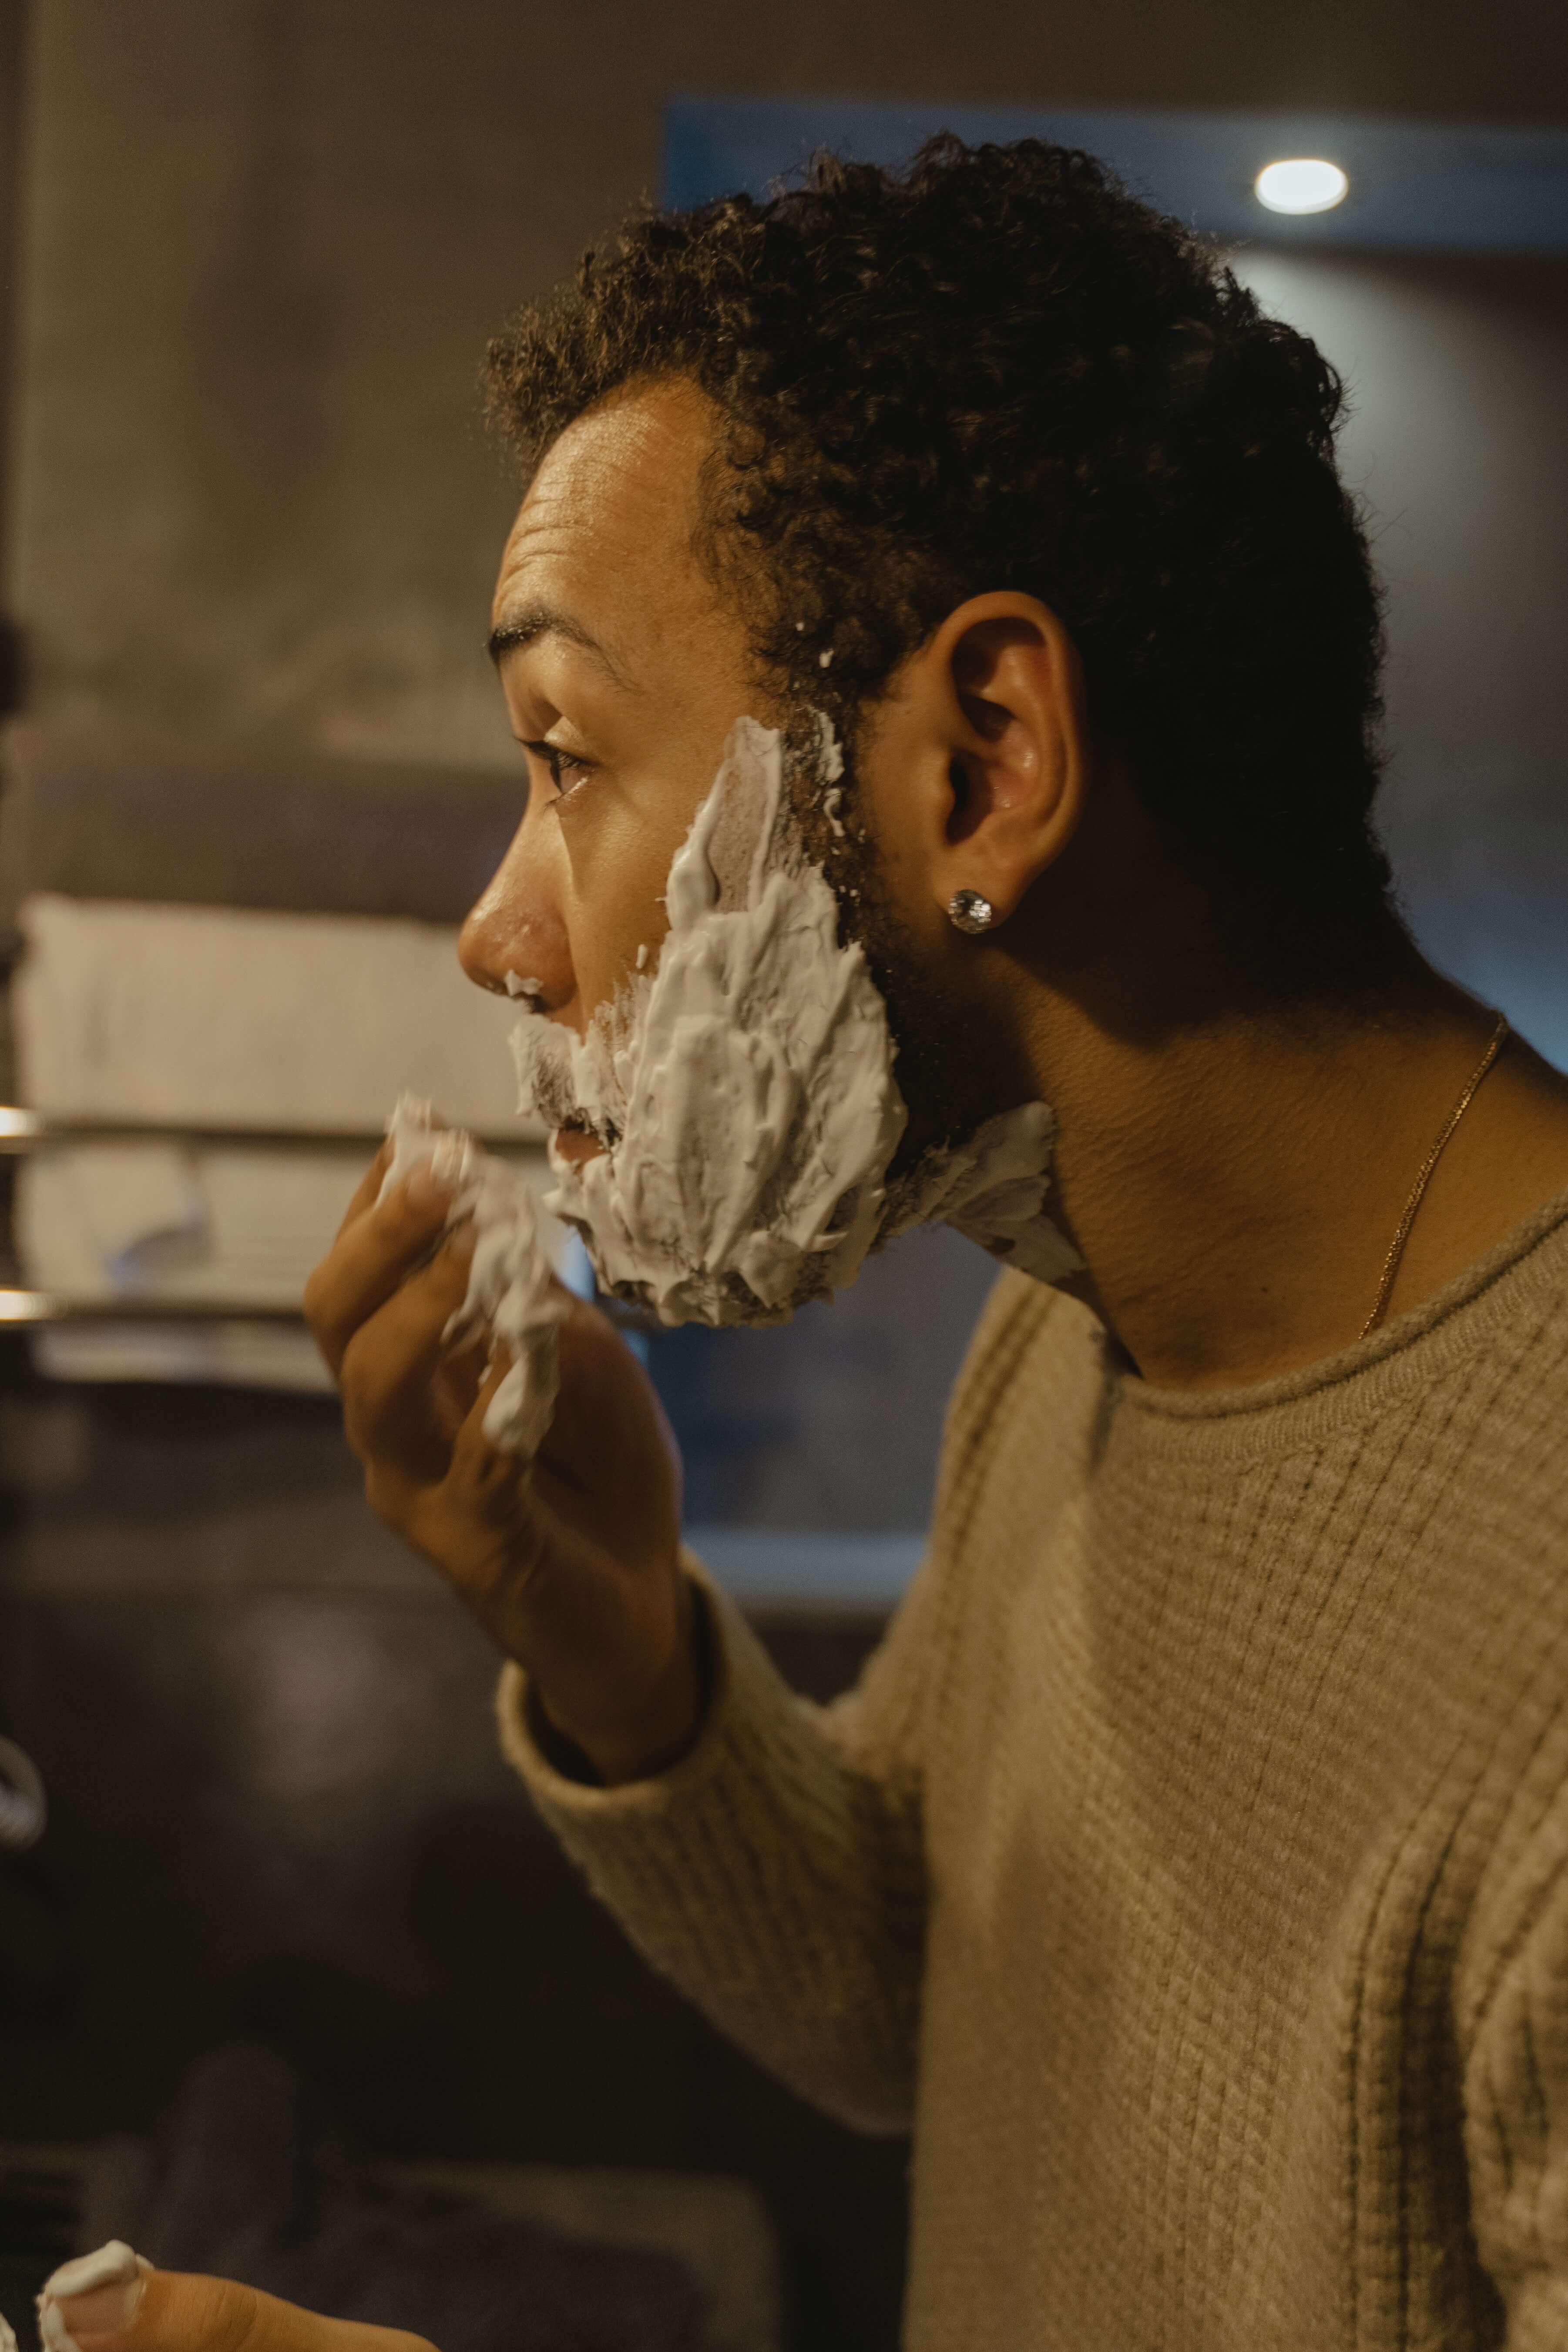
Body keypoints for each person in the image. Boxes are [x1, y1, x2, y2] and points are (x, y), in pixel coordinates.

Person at [297, 138, 1568, 2349]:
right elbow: (931, 1986)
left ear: (983, 760)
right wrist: (627, 1664)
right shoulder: (1081, 1320)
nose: (498, 930)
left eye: (567, 754)